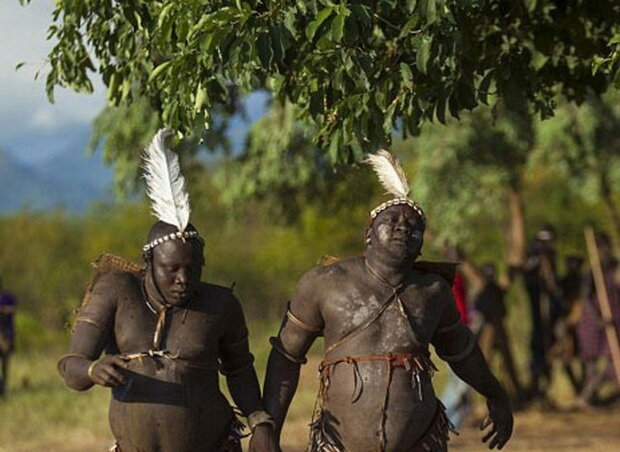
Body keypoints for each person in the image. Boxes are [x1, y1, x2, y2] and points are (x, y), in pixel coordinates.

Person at [263, 151, 513, 451]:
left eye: (415, 226)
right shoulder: (324, 282)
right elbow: (286, 357)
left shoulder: (433, 291)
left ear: (421, 245)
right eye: (391, 220)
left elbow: (462, 353)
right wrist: (268, 429)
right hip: (337, 445)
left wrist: (496, 395)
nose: (403, 227)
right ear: (368, 234)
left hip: (420, 442)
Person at [57, 130, 276, 452]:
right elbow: (70, 367)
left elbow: (240, 369)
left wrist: (260, 422)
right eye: (171, 269)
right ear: (148, 262)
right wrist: (92, 369)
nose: (183, 279)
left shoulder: (220, 304)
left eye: (193, 268)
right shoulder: (116, 291)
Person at [575, 233, 620, 407]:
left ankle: (586, 397)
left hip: (614, 319)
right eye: (602, 248)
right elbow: (586, 298)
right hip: (594, 322)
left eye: (607, 247)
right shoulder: (593, 271)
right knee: (591, 363)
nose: (606, 251)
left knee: (613, 359)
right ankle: (586, 398)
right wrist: (598, 319)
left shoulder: (615, 267)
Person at [522, 224, 562, 399]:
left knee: (550, 345)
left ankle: (546, 388)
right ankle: (535, 388)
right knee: (538, 347)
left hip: (550, 313)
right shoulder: (533, 256)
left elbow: (553, 285)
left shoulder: (551, 257)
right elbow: (527, 274)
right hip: (537, 313)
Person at [474, 264, 523, 399]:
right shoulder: (487, 291)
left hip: (496, 329)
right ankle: (492, 395)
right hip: (491, 329)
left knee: (506, 364)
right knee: (490, 364)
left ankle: (514, 393)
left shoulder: (491, 290)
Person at [0, 274, 16, 397]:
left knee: (5, 363)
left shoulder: (7, 297)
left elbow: (11, 310)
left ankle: (3, 388)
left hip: (7, 334)